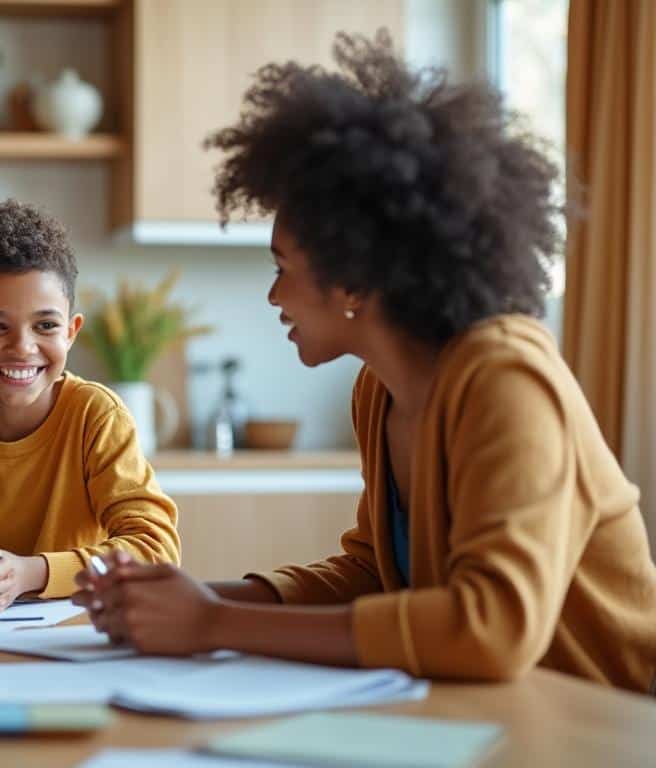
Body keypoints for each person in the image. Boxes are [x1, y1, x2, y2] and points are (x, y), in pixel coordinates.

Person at [76, 33, 656, 693]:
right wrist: (188, 598)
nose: (273, 295)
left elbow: (491, 629)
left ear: (353, 280)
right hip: (492, 717)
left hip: (608, 725)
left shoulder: (505, 377)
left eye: (283, 269)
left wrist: (213, 625)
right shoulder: (378, 392)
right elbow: (374, 578)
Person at [0, 199, 181, 608]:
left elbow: (156, 550)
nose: (22, 347)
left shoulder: (95, 415)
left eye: (46, 325)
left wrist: (31, 573)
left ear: (72, 331)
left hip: (76, 627)